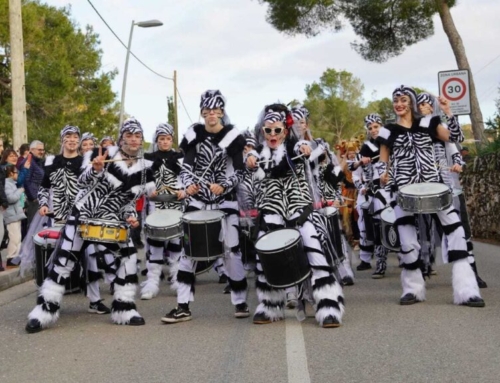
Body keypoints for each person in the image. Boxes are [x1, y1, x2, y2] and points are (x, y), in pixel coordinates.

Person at [25, 117, 155, 333]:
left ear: (141, 140)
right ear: (121, 138)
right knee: (63, 261)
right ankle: (44, 311)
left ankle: (124, 308)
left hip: (113, 221)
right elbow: (82, 182)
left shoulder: (144, 169)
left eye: (137, 136)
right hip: (84, 215)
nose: (133, 140)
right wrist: (95, 170)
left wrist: (132, 216)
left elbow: (129, 201)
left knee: (129, 258)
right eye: (129, 135)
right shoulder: (100, 154)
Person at [378, 85, 483, 307]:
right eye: (396, 100)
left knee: (456, 231)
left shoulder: (428, 122)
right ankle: (412, 289)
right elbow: (383, 159)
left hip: (434, 187)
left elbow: (455, 136)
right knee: (407, 240)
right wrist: (383, 175)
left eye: (404, 100)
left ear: (412, 103)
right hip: (403, 190)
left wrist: (448, 112)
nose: (399, 104)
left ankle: (467, 290)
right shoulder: (388, 130)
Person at [246, 103, 344, 328]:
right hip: (271, 214)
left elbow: (310, 150)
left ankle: (328, 305)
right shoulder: (258, 153)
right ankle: (269, 305)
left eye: (277, 130)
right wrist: (250, 158)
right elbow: (250, 159)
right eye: (267, 130)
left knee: (315, 254)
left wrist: (306, 148)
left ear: (286, 131)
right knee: (264, 261)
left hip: (299, 212)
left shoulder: (297, 147)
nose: (272, 134)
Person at [162, 89, 249, 323]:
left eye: (216, 111)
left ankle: (240, 301)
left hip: (225, 201)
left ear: (221, 112)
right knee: (188, 251)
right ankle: (182, 306)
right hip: (198, 199)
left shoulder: (233, 137)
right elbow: (187, 167)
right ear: (202, 113)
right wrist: (189, 185)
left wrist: (224, 184)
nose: (211, 115)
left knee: (231, 250)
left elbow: (240, 171)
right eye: (207, 111)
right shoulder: (193, 135)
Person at [140, 123, 185, 300]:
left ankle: (177, 280)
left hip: (175, 205)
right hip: (156, 206)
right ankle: (152, 283)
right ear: (156, 140)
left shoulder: (179, 157)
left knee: (175, 244)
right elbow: (143, 180)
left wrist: (182, 190)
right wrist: (150, 190)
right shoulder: (148, 158)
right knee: (156, 245)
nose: (165, 142)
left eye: (167, 139)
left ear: (171, 140)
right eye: (161, 139)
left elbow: (185, 177)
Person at [3, 165, 26, 267]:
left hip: (16, 214)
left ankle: (16, 257)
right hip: (11, 215)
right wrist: (21, 190)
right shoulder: (7, 184)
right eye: (16, 172)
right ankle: (11, 257)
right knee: (14, 237)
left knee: (18, 237)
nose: (18, 175)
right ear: (11, 173)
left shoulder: (12, 184)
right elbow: (11, 198)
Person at [22, 140, 45, 226]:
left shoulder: (38, 162)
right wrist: (33, 197)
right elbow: (26, 180)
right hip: (33, 201)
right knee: (32, 225)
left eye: (43, 150)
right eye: (39, 150)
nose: (42, 152)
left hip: (39, 198)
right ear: (31, 149)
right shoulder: (29, 161)